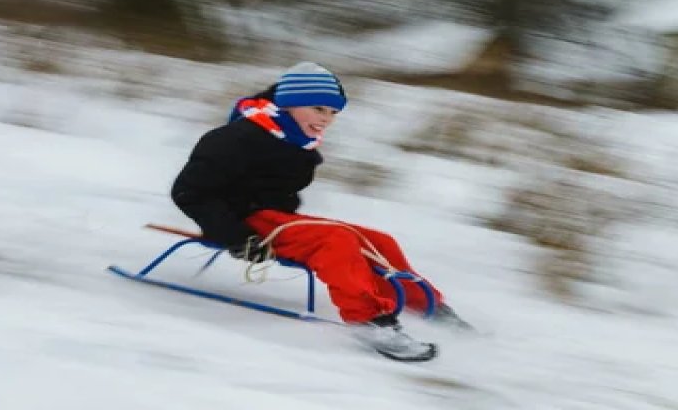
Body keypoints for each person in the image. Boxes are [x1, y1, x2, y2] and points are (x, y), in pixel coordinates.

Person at [170, 61, 468, 361]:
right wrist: (236, 236)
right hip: (240, 222)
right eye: (319, 109)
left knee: (378, 240)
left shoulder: (296, 140)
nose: (326, 120)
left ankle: (426, 304)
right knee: (335, 241)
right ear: (290, 104)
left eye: (333, 113)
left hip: (275, 218)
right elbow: (189, 192)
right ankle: (369, 322)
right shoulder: (234, 139)